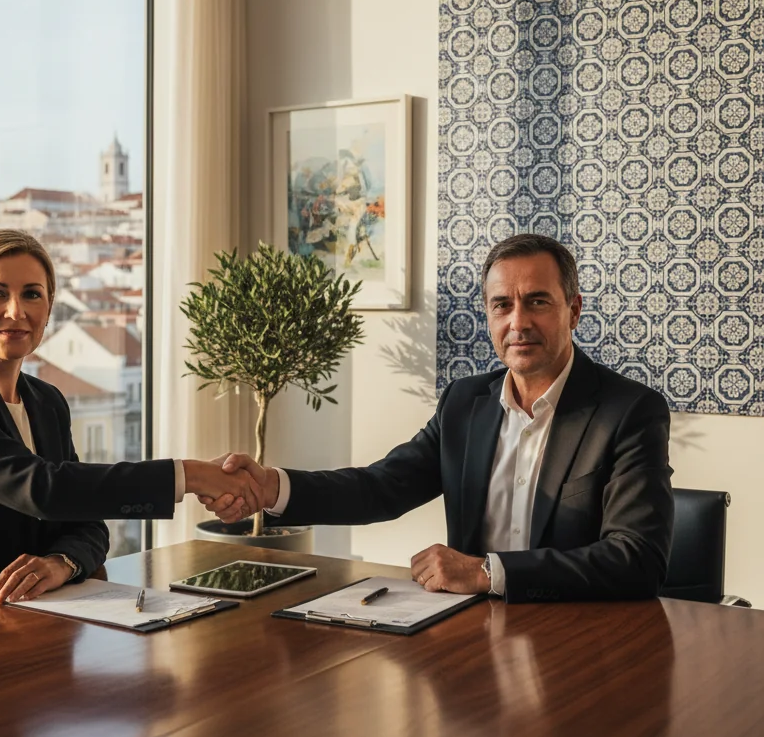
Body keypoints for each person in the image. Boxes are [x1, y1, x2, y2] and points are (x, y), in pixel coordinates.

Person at [204, 234, 674, 602]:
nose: (518, 322)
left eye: (537, 301)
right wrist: (271, 487)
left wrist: (487, 573)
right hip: (470, 636)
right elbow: (381, 487)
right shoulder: (464, 403)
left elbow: (635, 560)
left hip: (578, 639)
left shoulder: (629, 411)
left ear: (573, 311)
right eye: (501, 305)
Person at [0, 229, 262, 615]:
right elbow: (42, 488)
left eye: (32, 294)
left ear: (49, 307)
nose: (16, 311)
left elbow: (87, 523)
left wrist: (60, 563)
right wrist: (187, 475)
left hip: (16, 613)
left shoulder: (46, 401)